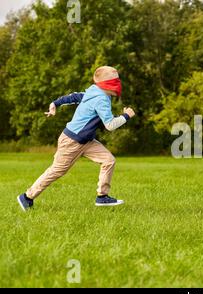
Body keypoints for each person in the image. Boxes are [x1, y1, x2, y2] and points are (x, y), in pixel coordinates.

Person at [17, 66, 135, 211]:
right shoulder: (101, 98)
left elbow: (74, 97)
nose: (118, 83)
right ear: (106, 83)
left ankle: (102, 197)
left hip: (86, 141)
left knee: (108, 160)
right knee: (57, 171)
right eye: (115, 80)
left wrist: (55, 103)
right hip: (72, 141)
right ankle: (27, 197)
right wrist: (126, 116)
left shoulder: (94, 91)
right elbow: (110, 125)